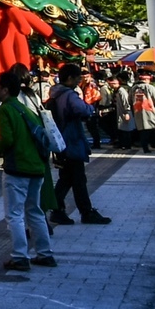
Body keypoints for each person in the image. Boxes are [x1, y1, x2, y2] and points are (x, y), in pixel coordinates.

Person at [0, 71, 57, 273]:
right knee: (35, 212)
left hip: (17, 167)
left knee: (14, 214)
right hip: (37, 167)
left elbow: (8, 140)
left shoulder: (4, 110)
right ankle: (45, 253)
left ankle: (20, 256)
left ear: (5, 90)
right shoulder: (24, 108)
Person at [47, 63, 111, 225]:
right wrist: (90, 107)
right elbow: (83, 109)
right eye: (77, 78)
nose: (78, 82)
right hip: (72, 140)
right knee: (78, 179)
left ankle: (57, 209)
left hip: (61, 141)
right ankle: (86, 212)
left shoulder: (55, 94)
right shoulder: (69, 95)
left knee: (67, 178)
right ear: (70, 78)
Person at [82, 72, 106, 148]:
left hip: (92, 107)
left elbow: (96, 98)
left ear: (90, 76)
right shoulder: (83, 85)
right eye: (83, 77)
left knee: (92, 126)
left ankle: (97, 143)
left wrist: (94, 109)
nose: (85, 79)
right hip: (86, 106)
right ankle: (95, 142)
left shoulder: (92, 85)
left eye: (87, 77)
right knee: (90, 126)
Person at [113, 72, 136, 149]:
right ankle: (124, 143)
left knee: (126, 128)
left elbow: (126, 101)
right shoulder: (129, 87)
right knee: (124, 127)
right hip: (126, 110)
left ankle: (126, 144)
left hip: (125, 111)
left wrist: (127, 111)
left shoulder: (121, 90)